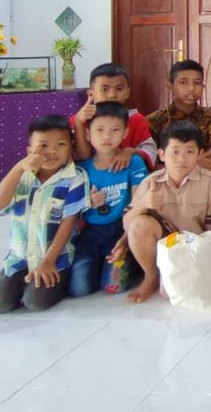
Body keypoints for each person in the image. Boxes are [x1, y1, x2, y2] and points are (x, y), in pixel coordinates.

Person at [112, 121, 211, 304]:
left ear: (199, 155)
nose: (182, 159)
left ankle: (174, 275)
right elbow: (129, 223)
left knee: (177, 291)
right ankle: (151, 276)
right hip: (163, 250)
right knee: (140, 224)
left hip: (195, 248)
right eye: (175, 151)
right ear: (162, 155)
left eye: (190, 151)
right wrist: (144, 204)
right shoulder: (151, 182)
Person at [0, 115, 90, 313]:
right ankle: (24, 280)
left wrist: (48, 262)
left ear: (70, 148)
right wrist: (19, 167)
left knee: (35, 302)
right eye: (42, 145)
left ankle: (58, 280)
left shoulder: (75, 178)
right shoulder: (21, 177)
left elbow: (68, 223)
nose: (52, 151)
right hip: (19, 259)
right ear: (29, 151)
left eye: (61, 144)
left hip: (54, 259)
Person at [69, 102, 148, 297]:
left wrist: (126, 239)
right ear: (88, 133)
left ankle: (132, 261)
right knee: (79, 288)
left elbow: (141, 201)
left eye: (114, 130)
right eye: (99, 130)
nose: (106, 137)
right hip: (90, 232)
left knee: (113, 287)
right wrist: (89, 201)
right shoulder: (82, 168)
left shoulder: (133, 162)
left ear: (125, 132)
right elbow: (73, 208)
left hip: (121, 229)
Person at [146, 60, 211, 176]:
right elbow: (150, 165)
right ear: (169, 86)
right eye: (183, 82)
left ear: (203, 87)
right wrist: (194, 165)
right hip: (166, 186)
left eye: (197, 83)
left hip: (203, 183)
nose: (191, 88)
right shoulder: (154, 121)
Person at [71, 63, 157, 169]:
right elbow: (81, 156)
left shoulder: (136, 119)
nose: (112, 95)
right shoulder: (79, 120)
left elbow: (150, 149)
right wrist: (78, 124)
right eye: (105, 89)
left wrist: (130, 152)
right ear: (91, 94)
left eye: (119, 89)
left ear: (128, 92)